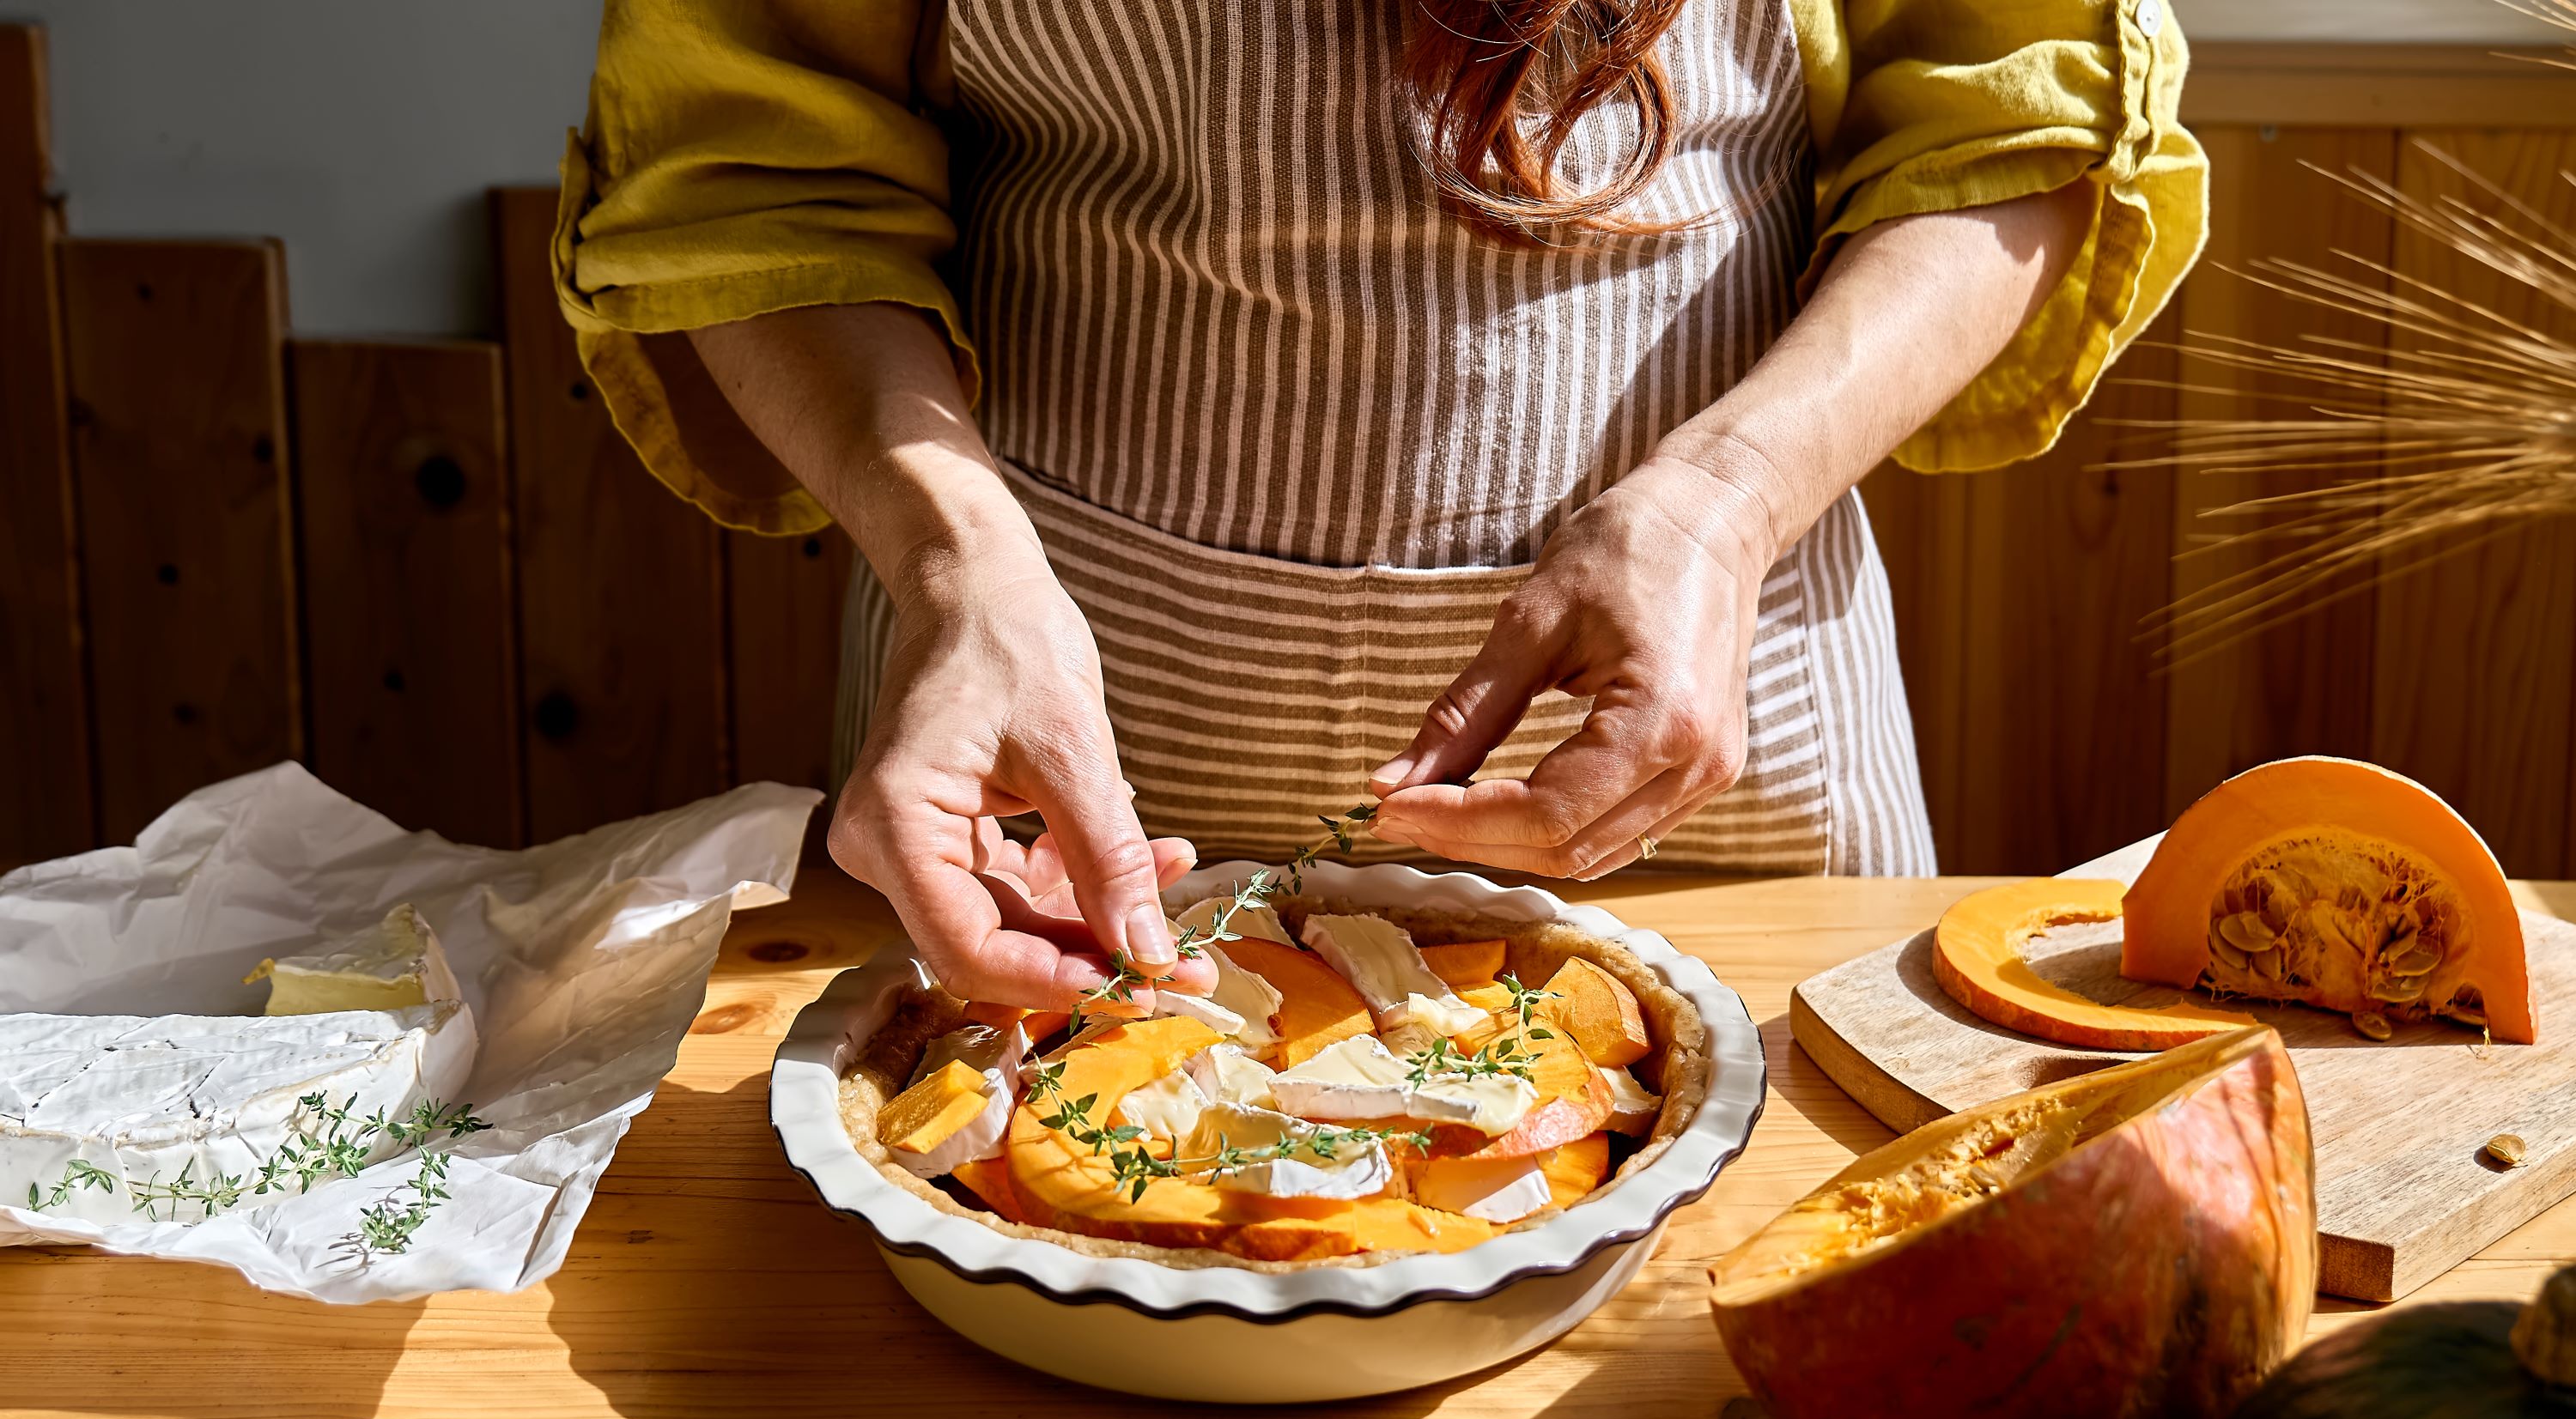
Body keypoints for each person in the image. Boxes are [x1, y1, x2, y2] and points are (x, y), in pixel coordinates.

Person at [553, 0, 2202, 1008]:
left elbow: (2001, 131)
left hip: (1719, 794)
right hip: (1041, 835)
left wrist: (1724, 499)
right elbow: (752, 176)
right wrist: (957, 569)